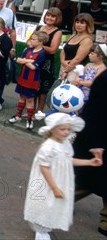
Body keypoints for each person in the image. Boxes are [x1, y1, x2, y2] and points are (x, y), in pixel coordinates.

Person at [24, 113, 102, 240]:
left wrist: (89, 162)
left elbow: (68, 160)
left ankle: (45, 226)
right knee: (44, 203)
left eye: (68, 129)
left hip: (60, 180)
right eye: (62, 129)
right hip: (48, 181)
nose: (66, 132)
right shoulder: (48, 146)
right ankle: (41, 231)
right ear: (52, 129)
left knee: (53, 204)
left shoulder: (65, 143)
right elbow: (44, 167)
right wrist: (54, 187)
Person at [73, 69, 107, 237]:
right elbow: (94, 112)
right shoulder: (104, 79)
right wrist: (97, 144)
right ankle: (61, 201)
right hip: (98, 139)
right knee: (87, 179)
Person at [8, 32, 48, 129]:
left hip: (32, 80)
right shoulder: (28, 50)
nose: (31, 41)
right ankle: (18, 115)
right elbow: (18, 60)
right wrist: (28, 61)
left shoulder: (42, 53)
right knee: (21, 97)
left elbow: (33, 67)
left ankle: (29, 119)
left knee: (30, 99)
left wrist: (25, 61)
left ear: (41, 42)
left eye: (33, 39)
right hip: (23, 78)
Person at [35, 8, 63, 114]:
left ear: (57, 18)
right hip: (34, 60)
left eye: (52, 16)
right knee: (33, 86)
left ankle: (39, 111)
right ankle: (30, 110)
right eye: (48, 15)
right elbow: (30, 40)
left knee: (43, 89)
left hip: (46, 63)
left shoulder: (58, 32)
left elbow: (52, 50)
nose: (49, 18)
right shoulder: (39, 27)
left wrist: (39, 45)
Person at [60, 13, 94, 82]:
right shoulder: (72, 36)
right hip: (64, 67)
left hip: (75, 70)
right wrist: (63, 62)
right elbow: (63, 51)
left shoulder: (87, 40)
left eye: (82, 23)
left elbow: (78, 59)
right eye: (77, 22)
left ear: (88, 25)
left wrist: (66, 71)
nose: (78, 25)